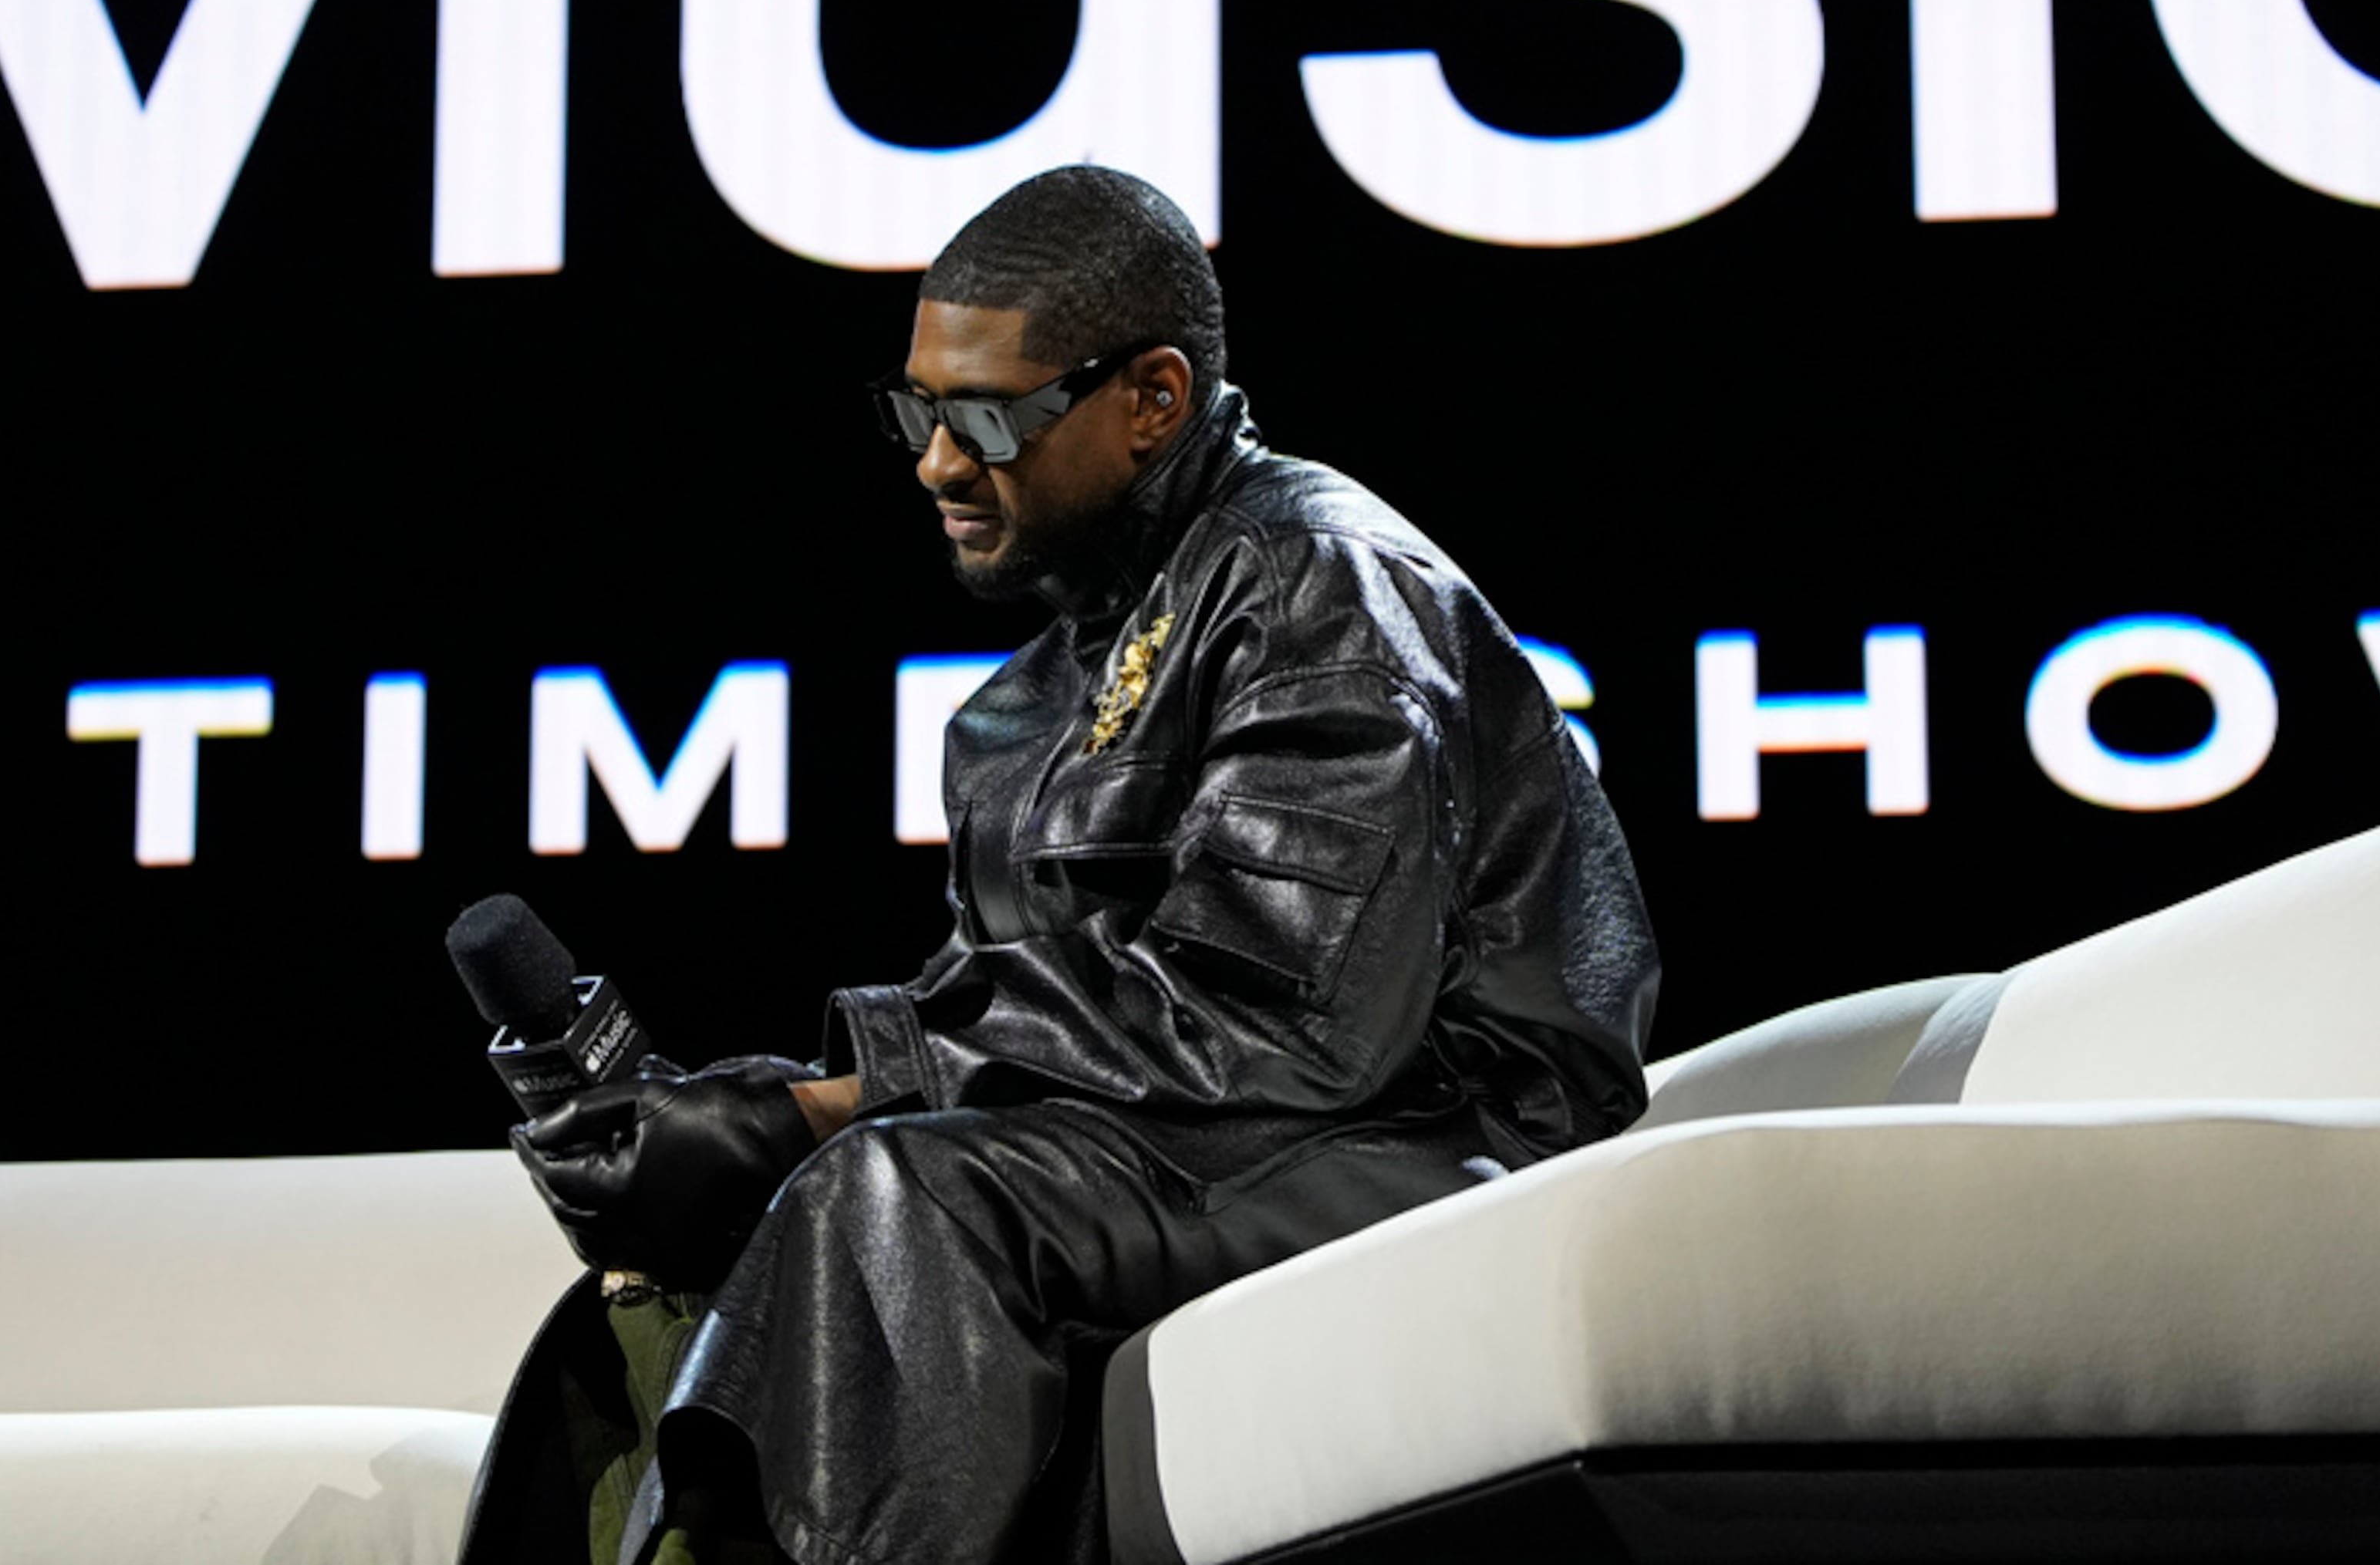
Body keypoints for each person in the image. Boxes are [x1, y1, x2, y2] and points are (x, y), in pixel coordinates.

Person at [458, 166, 1658, 1565]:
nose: (936, 461)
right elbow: (1026, 1043)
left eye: (983, 418)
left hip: (1437, 1138)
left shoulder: (1318, 583)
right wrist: (752, 1122)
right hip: (1232, 1136)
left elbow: (1285, 1022)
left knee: (895, 1198)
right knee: (697, 1256)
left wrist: (834, 1110)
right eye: (916, 409)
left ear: (1152, 398)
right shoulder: (1019, 712)